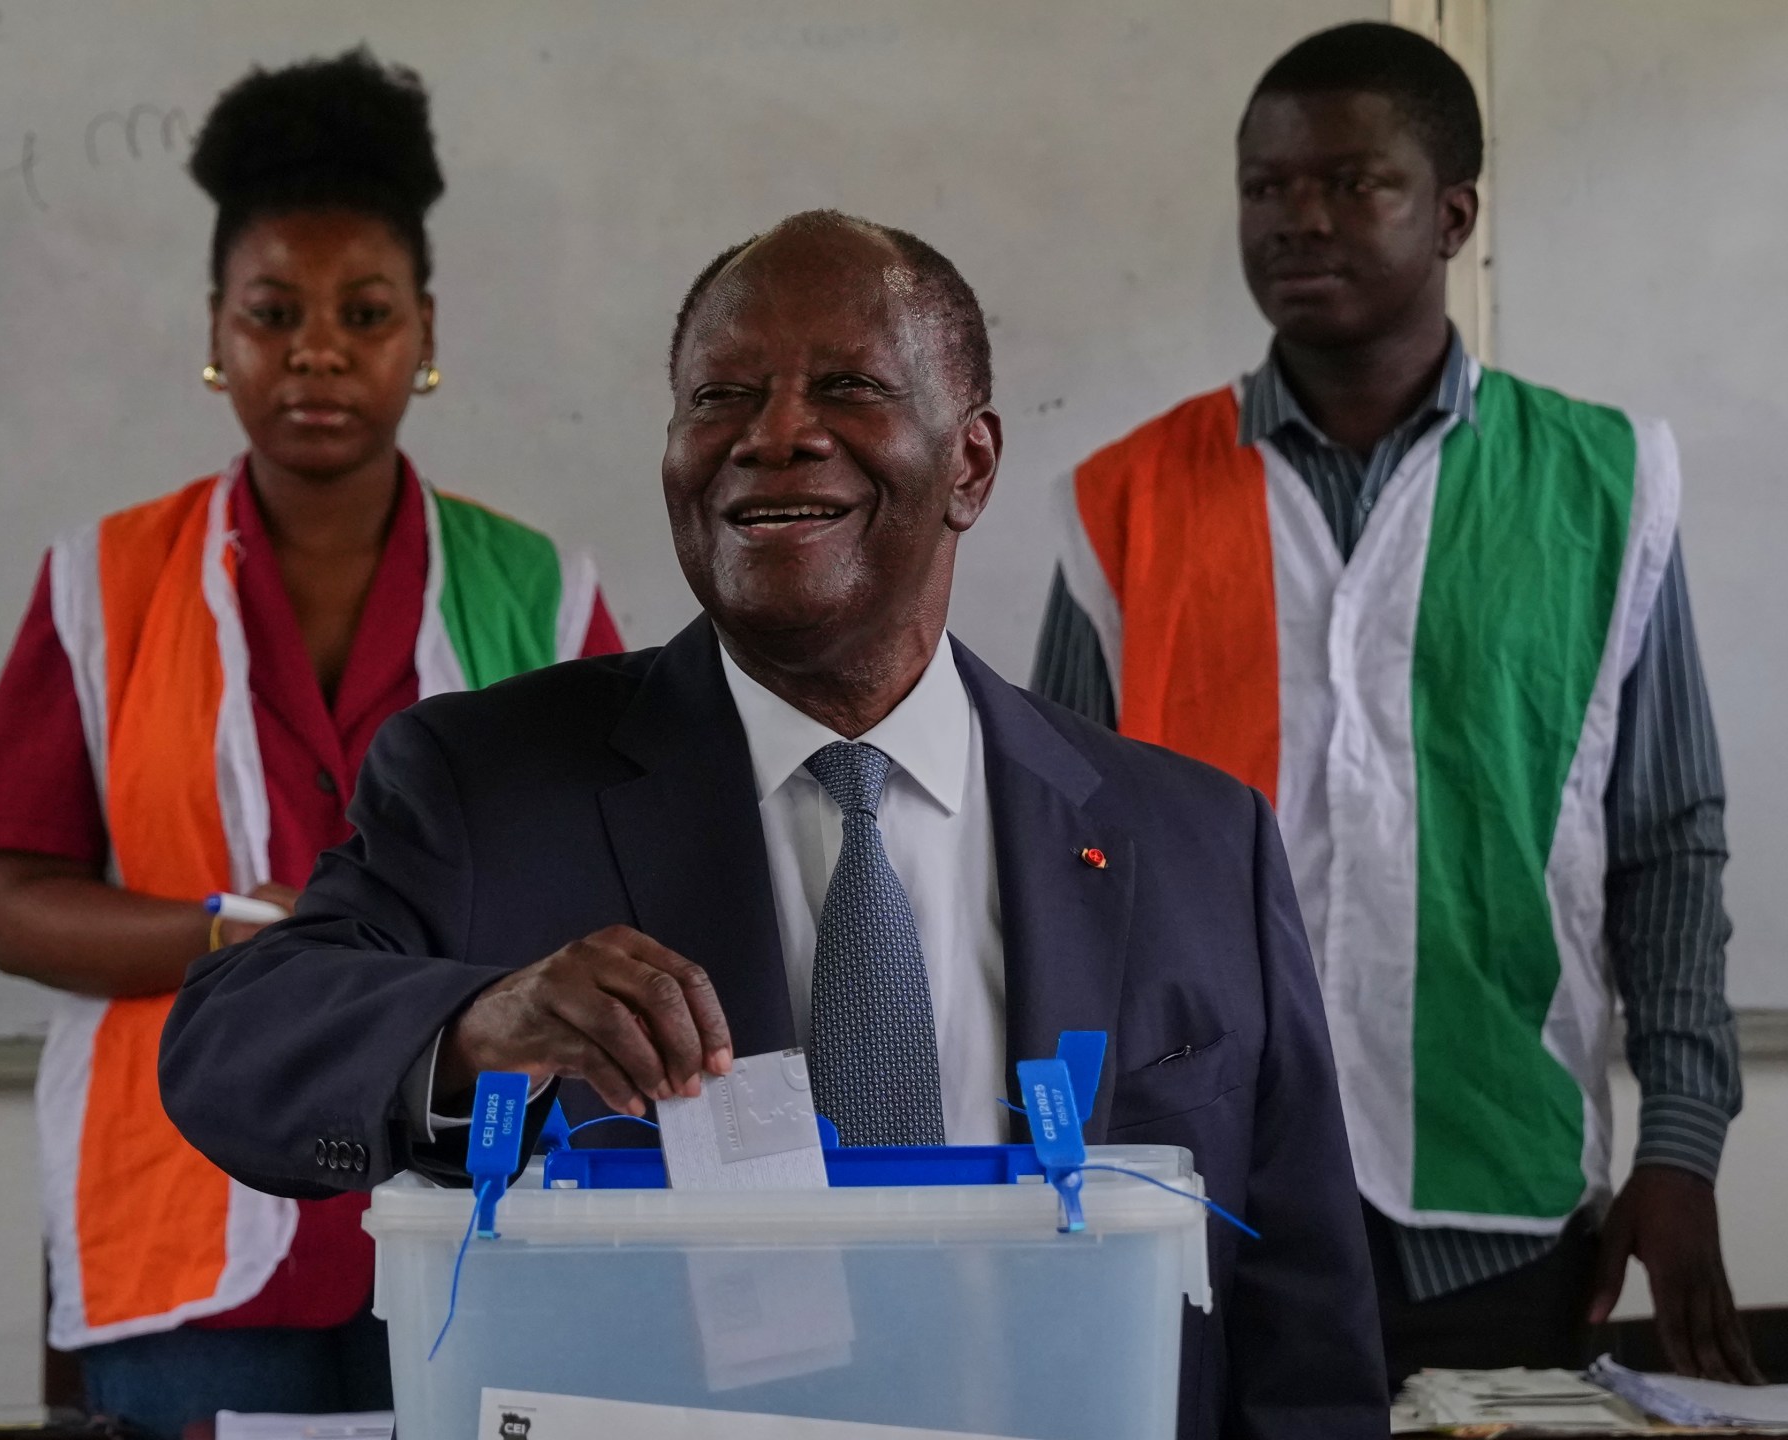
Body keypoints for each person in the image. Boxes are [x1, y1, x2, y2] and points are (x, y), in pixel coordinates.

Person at [159, 209, 1388, 1438]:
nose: (775, 434)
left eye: (849, 387)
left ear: (970, 465)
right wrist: (480, 1027)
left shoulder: (1196, 840)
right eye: (721, 397)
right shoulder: (489, 783)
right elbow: (231, 1045)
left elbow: (1303, 1335)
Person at [1032, 22, 1754, 1387]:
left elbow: (1667, 840)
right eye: (1265, 186)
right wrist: (1053, 1163)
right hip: (1197, 1198)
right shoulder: (1123, 500)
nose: (1297, 219)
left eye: (1353, 182)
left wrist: (1681, 1144)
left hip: (1496, 1203)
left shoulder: (1605, 483)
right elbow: (1055, 864)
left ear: (1453, 216)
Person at [0, 49, 622, 1433]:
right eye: (273, 313)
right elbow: (18, 911)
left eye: (364, 313)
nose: (317, 350)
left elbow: (622, 880)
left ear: (423, 332)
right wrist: (242, 936)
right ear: (218, 330)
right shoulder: (102, 583)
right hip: (183, 1225)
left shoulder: (543, 591)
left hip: (482, 1209)